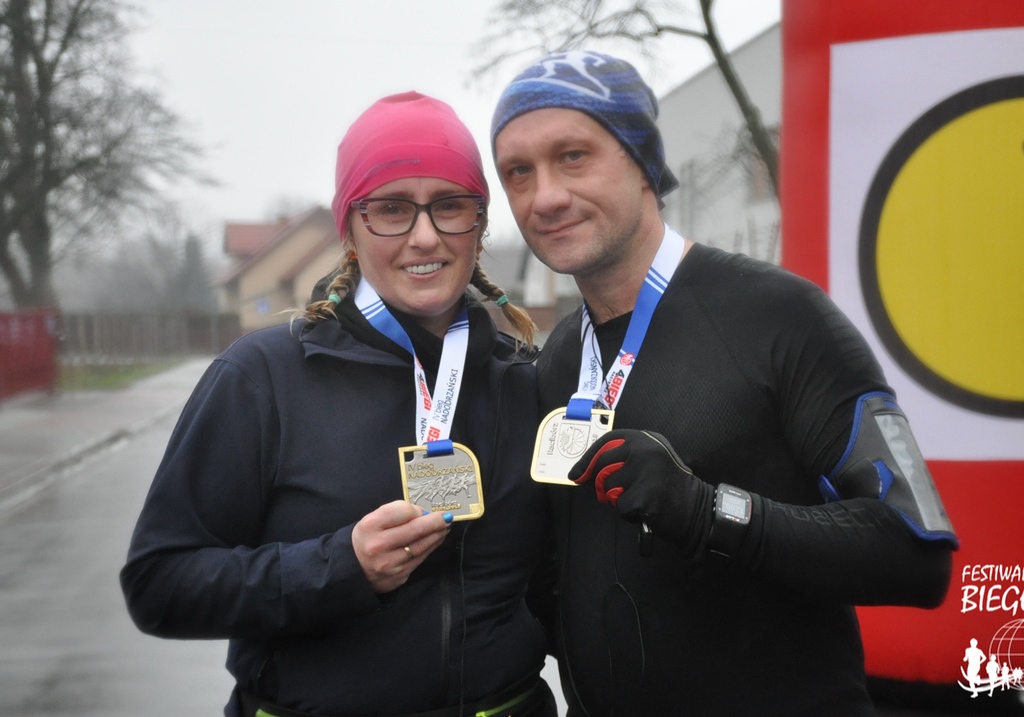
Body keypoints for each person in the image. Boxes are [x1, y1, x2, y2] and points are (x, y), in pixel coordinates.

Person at [490, 50, 959, 716]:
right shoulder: (560, 357)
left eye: (573, 156)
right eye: (518, 171)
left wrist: (709, 512)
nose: (546, 196)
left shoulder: (780, 315)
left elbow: (915, 553)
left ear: (641, 161)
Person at [121, 91, 557, 717]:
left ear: (480, 224)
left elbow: (558, 586)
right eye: (391, 209)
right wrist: (338, 568)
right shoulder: (262, 378)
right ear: (349, 229)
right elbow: (159, 586)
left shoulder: (522, 379)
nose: (425, 236)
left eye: (450, 205)